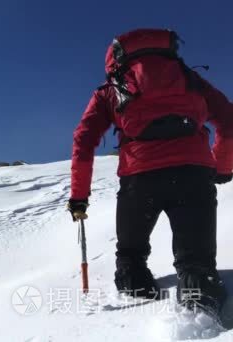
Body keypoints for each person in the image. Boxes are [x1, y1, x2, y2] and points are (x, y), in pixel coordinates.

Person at [67, 28, 233, 314]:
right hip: (194, 174)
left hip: (139, 179)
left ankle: (135, 308)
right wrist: (222, 167)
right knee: (197, 262)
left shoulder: (110, 89)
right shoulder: (191, 81)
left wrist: (79, 197)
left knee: (130, 257)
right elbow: (229, 120)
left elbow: (83, 139)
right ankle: (201, 314)